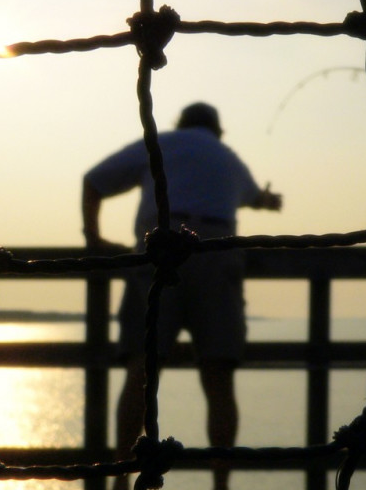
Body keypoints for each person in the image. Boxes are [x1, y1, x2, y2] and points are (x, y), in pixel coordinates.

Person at [82, 102, 282, 490]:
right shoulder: (227, 156)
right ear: (218, 131)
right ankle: (221, 483)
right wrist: (269, 201)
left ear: (180, 123)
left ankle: (120, 479)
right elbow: (256, 197)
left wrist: (93, 237)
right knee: (219, 376)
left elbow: (94, 180)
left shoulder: (161, 144)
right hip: (217, 250)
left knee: (141, 370)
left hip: (159, 249)